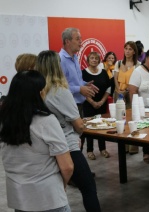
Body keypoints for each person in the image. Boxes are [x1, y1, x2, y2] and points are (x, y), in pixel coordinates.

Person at [36, 50, 101, 212]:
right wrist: (81, 128)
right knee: (89, 188)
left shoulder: (38, 92)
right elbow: (78, 124)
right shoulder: (60, 92)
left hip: (46, 147)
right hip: (67, 146)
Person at [0, 70, 73, 212]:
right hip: (49, 197)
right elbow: (67, 166)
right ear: (39, 93)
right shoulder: (46, 121)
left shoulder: (4, 120)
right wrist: (62, 184)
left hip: (19, 198)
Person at [59, 27, 99, 117]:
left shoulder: (75, 57)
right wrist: (80, 89)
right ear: (67, 41)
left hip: (80, 105)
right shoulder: (61, 60)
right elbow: (59, 87)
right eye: (77, 39)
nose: (81, 41)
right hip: (68, 106)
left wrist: (85, 84)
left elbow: (73, 81)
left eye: (80, 38)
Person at [82, 52, 111, 160]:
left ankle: (102, 149)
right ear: (88, 60)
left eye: (96, 58)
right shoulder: (83, 73)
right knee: (90, 127)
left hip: (102, 104)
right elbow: (82, 90)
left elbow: (108, 88)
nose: (94, 60)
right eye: (92, 58)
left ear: (99, 61)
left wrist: (102, 101)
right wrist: (92, 102)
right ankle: (89, 150)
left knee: (101, 126)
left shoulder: (103, 72)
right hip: (89, 105)